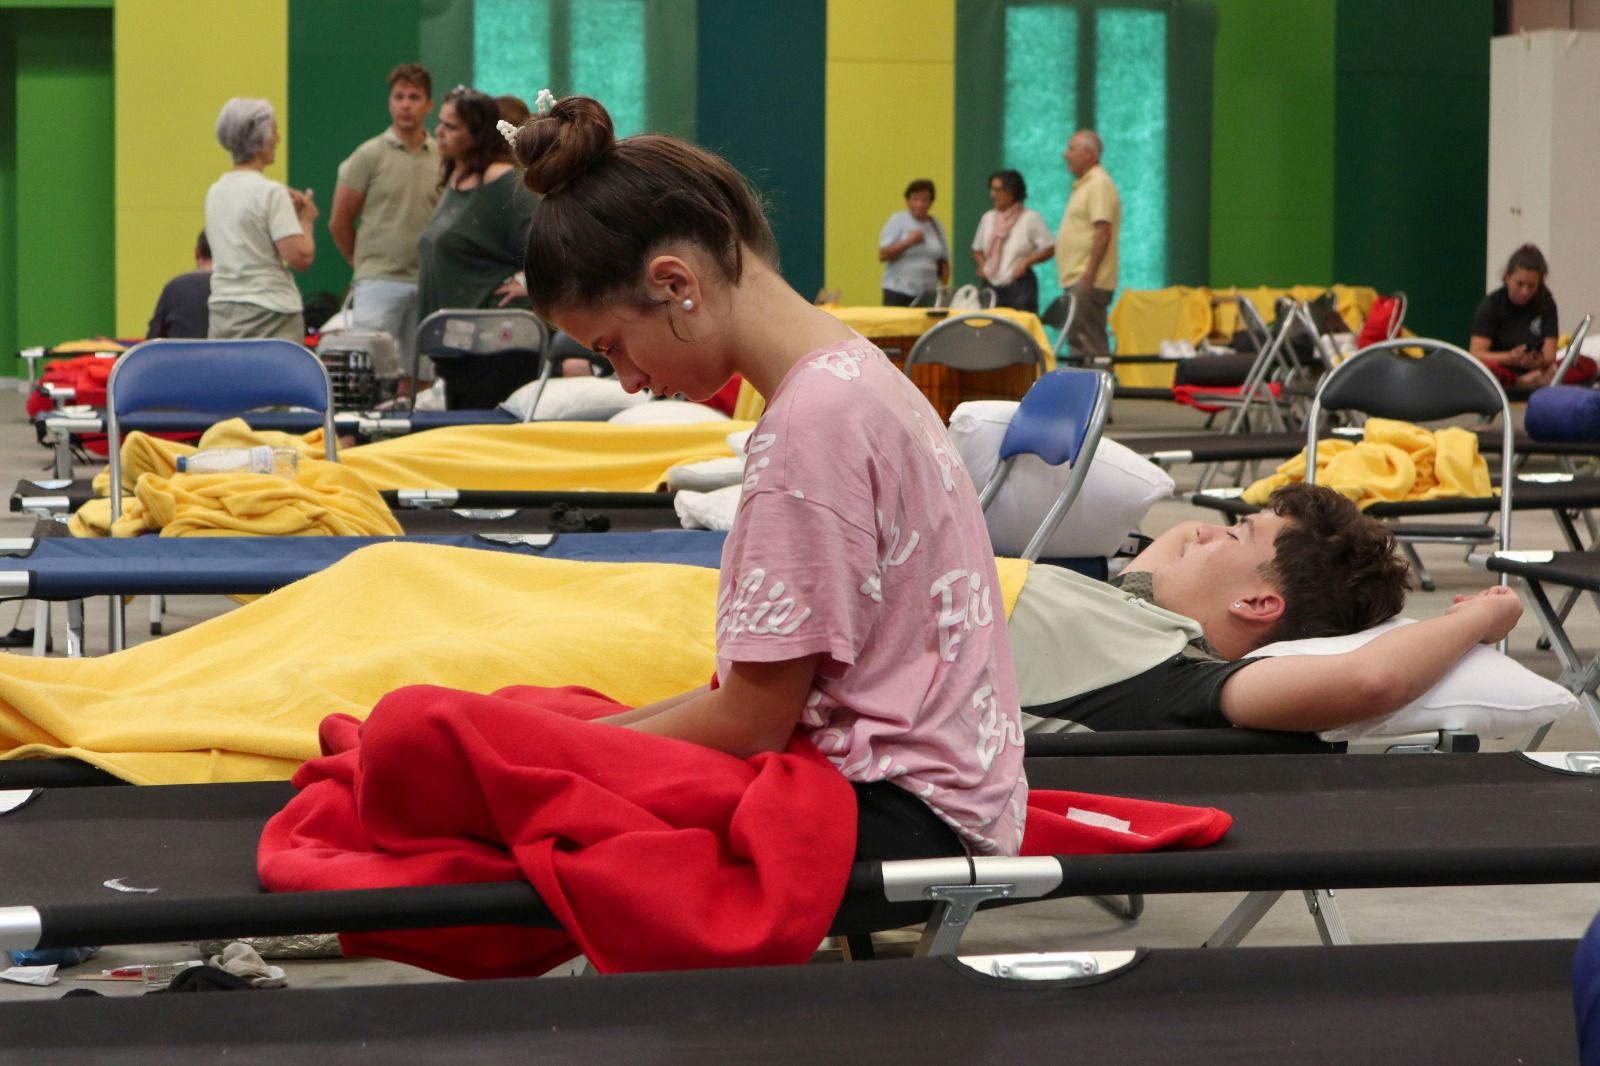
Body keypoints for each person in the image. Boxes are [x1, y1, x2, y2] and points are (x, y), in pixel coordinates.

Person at [510, 94, 1028, 859]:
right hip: (951, 789)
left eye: (615, 346)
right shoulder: (854, 370)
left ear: (676, 282)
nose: (626, 381)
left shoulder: (809, 428)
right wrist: (570, 739)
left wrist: (556, 757)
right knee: (531, 730)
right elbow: (748, 701)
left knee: (509, 796)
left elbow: (749, 723)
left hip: (900, 811)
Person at [1014, 483, 1523, 734]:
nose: (1204, 530)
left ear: (1257, 604)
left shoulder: (1175, 677)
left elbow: (1374, 680)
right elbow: (1184, 535)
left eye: (1233, 533)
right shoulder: (1138, 598)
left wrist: (1479, 617)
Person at [328, 63, 439, 384]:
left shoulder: (442, 158)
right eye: (399, 96)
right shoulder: (368, 155)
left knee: (420, 375)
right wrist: (359, 260)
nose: (406, 104)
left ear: (428, 105)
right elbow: (339, 221)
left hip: (427, 282)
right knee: (366, 372)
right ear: (390, 103)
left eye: (414, 97)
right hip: (378, 280)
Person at [414, 86, 539, 322]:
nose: (439, 132)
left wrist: (526, 283)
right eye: (440, 122)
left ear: (478, 134)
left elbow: (553, 246)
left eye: (451, 127)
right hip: (446, 337)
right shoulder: (457, 176)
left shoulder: (501, 178)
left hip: (488, 337)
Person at [204, 98, 317, 342]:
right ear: (260, 140)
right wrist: (306, 221)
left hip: (223, 308)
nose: (277, 138)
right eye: (274, 131)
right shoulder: (272, 193)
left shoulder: (215, 192)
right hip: (271, 311)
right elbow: (300, 257)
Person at [1469, 244, 1593, 388]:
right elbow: (1476, 353)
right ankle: (1519, 382)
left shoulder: (1546, 303)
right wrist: (1510, 358)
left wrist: (1538, 362)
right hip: (1502, 370)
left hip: (1537, 372)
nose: (1524, 292)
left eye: (1531, 286)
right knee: (1486, 369)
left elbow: (1549, 356)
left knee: (1585, 365)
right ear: (1507, 277)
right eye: (1519, 284)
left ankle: (1530, 381)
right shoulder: (1491, 304)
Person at [1056, 129, 1121, 361]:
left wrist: (1088, 277)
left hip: (1087, 280)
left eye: (1071, 149)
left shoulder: (1099, 184)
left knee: (1091, 346)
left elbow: (1103, 233)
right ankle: (1085, 396)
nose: (1066, 154)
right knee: (1080, 345)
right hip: (1079, 279)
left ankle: (1101, 395)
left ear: (1088, 154)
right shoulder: (1085, 184)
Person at [970, 170, 1054, 314]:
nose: (993, 195)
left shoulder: (1030, 218)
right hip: (990, 286)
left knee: (1018, 330)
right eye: (991, 190)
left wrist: (1026, 262)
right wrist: (983, 266)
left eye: (997, 190)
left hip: (1019, 287)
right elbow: (977, 249)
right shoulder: (987, 218)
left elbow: (1050, 248)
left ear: (1012, 191)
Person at [877, 178, 949, 306]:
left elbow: (944, 259)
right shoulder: (897, 220)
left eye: (924, 200)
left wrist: (945, 286)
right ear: (908, 200)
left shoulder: (935, 224)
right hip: (898, 291)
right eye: (915, 199)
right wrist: (909, 242)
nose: (919, 204)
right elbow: (883, 254)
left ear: (931, 203)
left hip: (928, 291)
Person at [146, 230, 213, 339]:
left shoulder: (174, 288)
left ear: (197, 252)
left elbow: (152, 342)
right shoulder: (234, 289)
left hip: (181, 356)